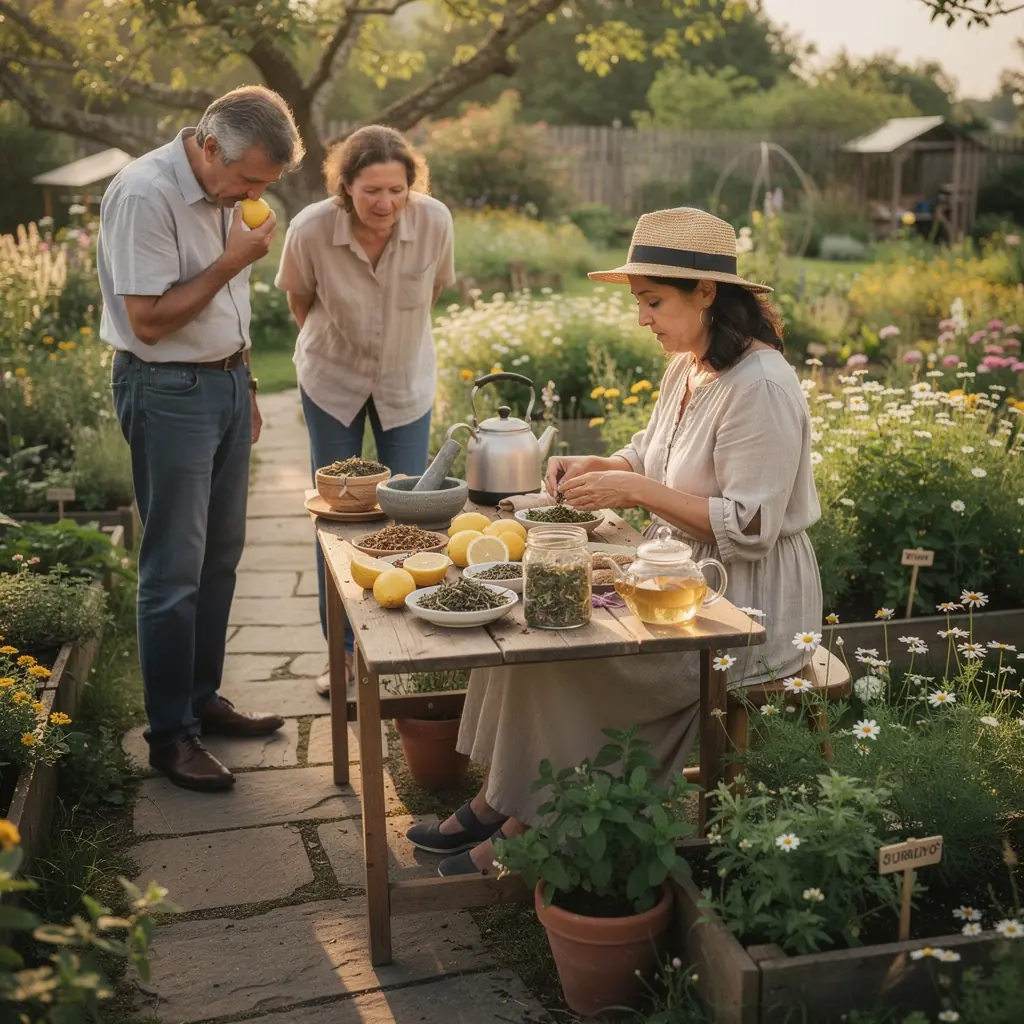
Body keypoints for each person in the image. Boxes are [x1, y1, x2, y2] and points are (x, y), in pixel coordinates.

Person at [405, 207, 823, 874]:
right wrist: (605, 467)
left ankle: (544, 820)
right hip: (675, 575)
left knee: (569, 654)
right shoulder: (690, 365)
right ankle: (504, 801)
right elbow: (649, 453)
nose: (641, 318)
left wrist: (634, 493)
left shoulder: (761, 387)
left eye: (652, 301)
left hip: (743, 606)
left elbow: (750, 528)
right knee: (525, 628)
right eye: (639, 302)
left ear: (707, 292)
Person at [98, 86, 304, 792]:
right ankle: (170, 736)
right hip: (166, 393)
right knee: (172, 573)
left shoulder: (224, 197)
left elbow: (226, 309)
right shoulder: (144, 194)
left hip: (218, 386)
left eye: (264, 185)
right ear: (208, 147)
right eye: (247, 180)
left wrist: (242, 381)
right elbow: (149, 321)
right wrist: (233, 260)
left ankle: (201, 700)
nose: (251, 194)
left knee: (219, 559)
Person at [275, 125, 456, 698]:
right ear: (345, 187)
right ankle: (342, 654)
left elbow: (432, 294)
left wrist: (390, 348)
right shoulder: (310, 230)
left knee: (409, 515)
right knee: (338, 519)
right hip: (332, 381)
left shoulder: (435, 222)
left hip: (406, 382)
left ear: (411, 186)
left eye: (397, 191)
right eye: (372, 191)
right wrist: (349, 349)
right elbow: (299, 300)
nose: (386, 204)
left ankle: (401, 645)